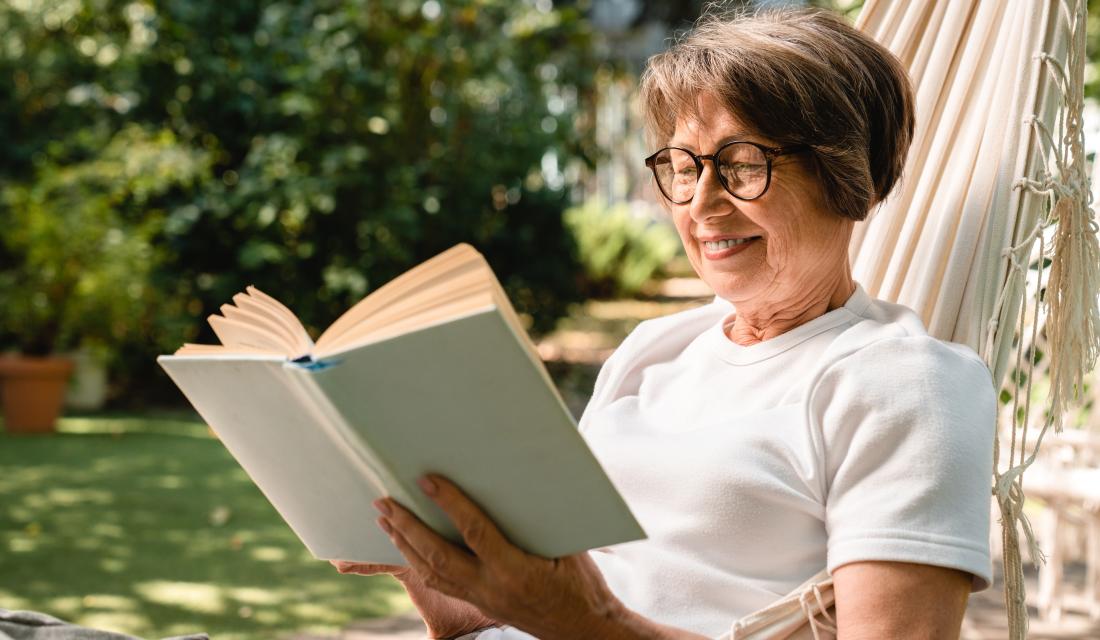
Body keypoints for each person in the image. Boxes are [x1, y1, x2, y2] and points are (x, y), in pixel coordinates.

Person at [334, 7, 996, 639]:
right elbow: (553, 601)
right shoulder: (657, 348)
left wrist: (589, 627)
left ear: (847, 174)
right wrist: (437, 577)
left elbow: (579, 615)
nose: (702, 205)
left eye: (742, 166)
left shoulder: (907, 385)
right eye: (684, 167)